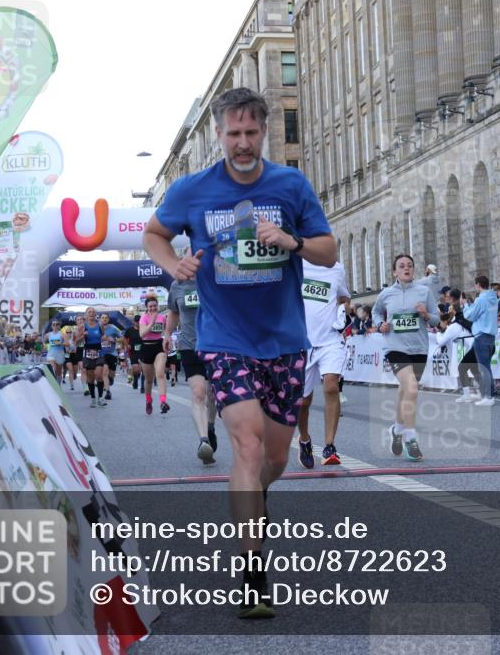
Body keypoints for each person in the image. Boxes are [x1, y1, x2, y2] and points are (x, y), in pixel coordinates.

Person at [143, 87, 335, 618]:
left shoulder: (291, 184)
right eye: (234, 134)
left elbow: (328, 248)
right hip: (224, 340)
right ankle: (253, 576)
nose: (243, 143)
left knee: (274, 458)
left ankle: (257, 496)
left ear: (264, 132)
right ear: (220, 134)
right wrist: (172, 265)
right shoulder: (193, 189)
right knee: (247, 449)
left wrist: (291, 240)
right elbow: (155, 234)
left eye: (252, 133)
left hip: (284, 341)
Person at [373, 254, 440, 461]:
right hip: (394, 347)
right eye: (401, 266)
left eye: (410, 266)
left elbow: (436, 317)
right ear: (394, 271)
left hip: (418, 347)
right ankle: (411, 438)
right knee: (411, 388)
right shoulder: (386, 293)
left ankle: (397, 428)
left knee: (405, 391)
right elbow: (376, 313)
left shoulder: (424, 291)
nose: (406, 269)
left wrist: (426, 315)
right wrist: (380, 325)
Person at [296, 260, 351, 468]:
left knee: (331, 386)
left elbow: (344, 297)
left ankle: (329, 446)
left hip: (330, 339)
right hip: (302, 342)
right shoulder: (296, 264)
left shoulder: (336, 268)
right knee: (303, 401)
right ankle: (304, 439)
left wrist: (344, 309)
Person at [167, 278, 219, 464]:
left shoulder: (212, 278)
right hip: (189, 346)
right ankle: (203, 441)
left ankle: (210, 427)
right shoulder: (177, 285)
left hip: (216, 345)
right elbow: (173, 312)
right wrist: (167, 334)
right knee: (199, 393)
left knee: (213, 395)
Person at [461, 275, 499, 406]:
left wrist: (465, 305)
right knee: (486, 366)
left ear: (478, 285)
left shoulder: (481, 299)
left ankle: (488, 397)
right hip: (491, 336)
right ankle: (487, 395)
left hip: (481, 335)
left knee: (483, 367)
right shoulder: (493, 298)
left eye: (475, 285)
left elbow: (470, 315)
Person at [139, 296, 169, 415]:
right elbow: (142, 334)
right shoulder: (143, 318)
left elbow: (167, 331)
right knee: (149, 380)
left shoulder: (163, 318)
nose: (152, 308)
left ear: (158, 306)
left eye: (154, 306)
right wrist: (152, 321)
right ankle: (148, 400)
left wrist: (168, 339)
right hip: (146, 347)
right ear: (146, 307)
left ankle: (163, 402)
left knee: (160, 373)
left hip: (158, 346)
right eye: (150, 306)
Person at [75, 307, 108, 408]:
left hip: (99, 352)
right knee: (90, 377)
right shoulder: (82, 326)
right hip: (87, 353)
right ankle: (93, 399)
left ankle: (101, 398)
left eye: (93, 312)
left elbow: (102, 336)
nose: (92, 313)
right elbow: (76, 341)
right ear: (86, 314)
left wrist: (105, 338)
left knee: (98, 374)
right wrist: (83, 336)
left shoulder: (100, 325)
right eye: (90, 312)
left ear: (96, 314)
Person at [98, 313, 123, 400]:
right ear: (100, 319)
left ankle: (110, 379)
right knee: (104, 372)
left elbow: (122, 339)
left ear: (108, 319)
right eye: (102, 317)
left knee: (111, 374)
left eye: (106, 318)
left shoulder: (113, 329)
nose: (104, 319)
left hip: (112, 354)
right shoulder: (97, 329)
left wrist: (114, 340)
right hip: (101, 354)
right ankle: (108, 392)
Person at [125, 314, 145, 392]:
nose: (138, 323)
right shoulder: (129, 330)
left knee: (143, 369)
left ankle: (143, 387)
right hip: (133, 351)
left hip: (143, 351)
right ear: (134, 322)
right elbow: (124, 338)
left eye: (139, 322)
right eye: (137, 322)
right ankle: (136, 379)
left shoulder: (144, 329)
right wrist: (127, 345)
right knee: (136, 369)